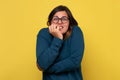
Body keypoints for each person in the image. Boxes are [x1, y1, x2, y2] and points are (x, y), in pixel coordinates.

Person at [36, 5, 85, 80]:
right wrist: (58, 39)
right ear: (50, 22)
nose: (60, 22)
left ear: (69, 22)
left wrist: (48, 69)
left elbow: (75, 61)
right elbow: (42, 63)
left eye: (64, 19)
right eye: (55, 19)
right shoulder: (44, 34)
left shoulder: (76, 31)